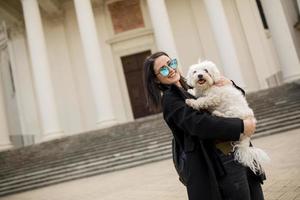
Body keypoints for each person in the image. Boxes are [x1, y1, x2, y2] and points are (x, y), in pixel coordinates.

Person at [143, 51, 265, 200]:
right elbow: (198, 124)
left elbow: (230, 99)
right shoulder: (170, 99)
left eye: (171, 63)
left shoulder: (191, 86)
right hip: (221, 159)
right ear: (156, 80)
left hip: (237, 151)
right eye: (163, 69)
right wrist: (240, 126)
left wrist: (230, 84)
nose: (170, 69)